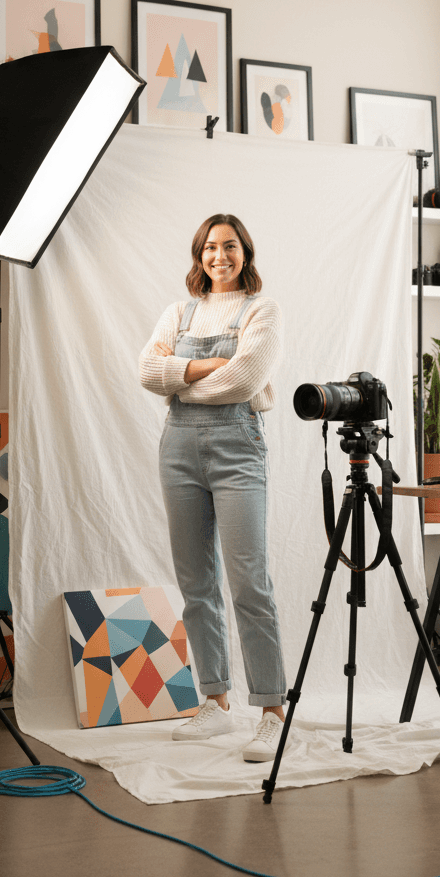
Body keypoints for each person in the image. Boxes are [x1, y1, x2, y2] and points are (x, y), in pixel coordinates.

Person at [139, 213, 288, 763]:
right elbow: (145, 372)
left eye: (229, 246)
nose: (218, 256)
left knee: (249, 580)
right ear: (198, 255)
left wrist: (181, 375)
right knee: (196, 582)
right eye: (209, 247)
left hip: (236, 448)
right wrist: (212, 367)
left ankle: (272, 711)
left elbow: (245, 380)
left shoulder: (262, 310)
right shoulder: (178, 311)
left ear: (245, 252)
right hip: (177, 449)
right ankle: (217, 702)